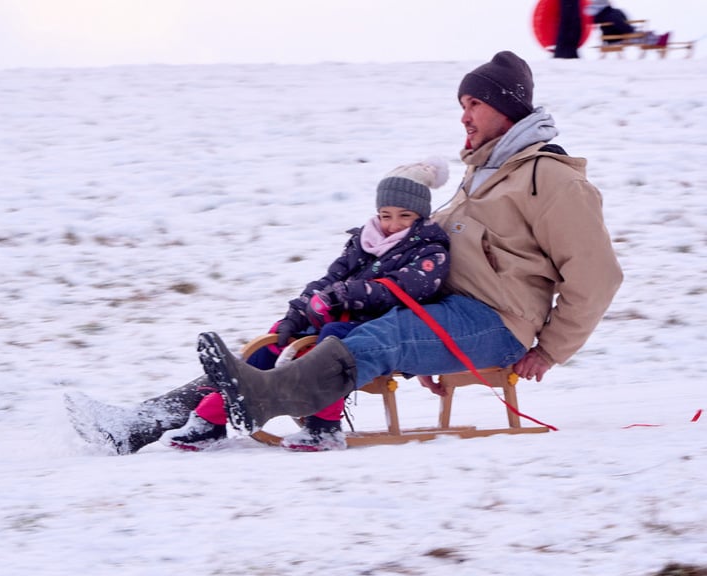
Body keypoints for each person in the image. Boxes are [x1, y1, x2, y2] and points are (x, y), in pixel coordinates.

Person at [195, 51, 623, 442]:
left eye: (474, 104)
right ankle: (165, 415)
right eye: (463, 106)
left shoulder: (551, 179)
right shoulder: (483, 175)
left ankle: (264, 395)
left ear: (507, 108)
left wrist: (550, 351)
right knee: (308, 327)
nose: (464, 117)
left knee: (385, 335)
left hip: (498, 323)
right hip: (442, 312)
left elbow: (596, 274)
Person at [65, 158, 452, 454]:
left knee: (333, 341)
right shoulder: (363, 242)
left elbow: (407, 287)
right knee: (270, 346)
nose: (392, 225)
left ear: (420, 217)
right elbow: (327, 280)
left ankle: (324, 427)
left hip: (379, 331)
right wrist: (297, 312)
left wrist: (348, 295)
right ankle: (205, 421)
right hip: (338, 316)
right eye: (386, 215)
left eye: (404, 217)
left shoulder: (428, 249)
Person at [586, 1, 670, 46]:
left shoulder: (610, 13)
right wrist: (631, 30)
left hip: (619, 33)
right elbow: (619, 23)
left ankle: (658, 39)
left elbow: (622, 20)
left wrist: (631, 29)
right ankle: (658, 40)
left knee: (641, 34)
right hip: (615, 37)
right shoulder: (608, 15)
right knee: (638, 36)